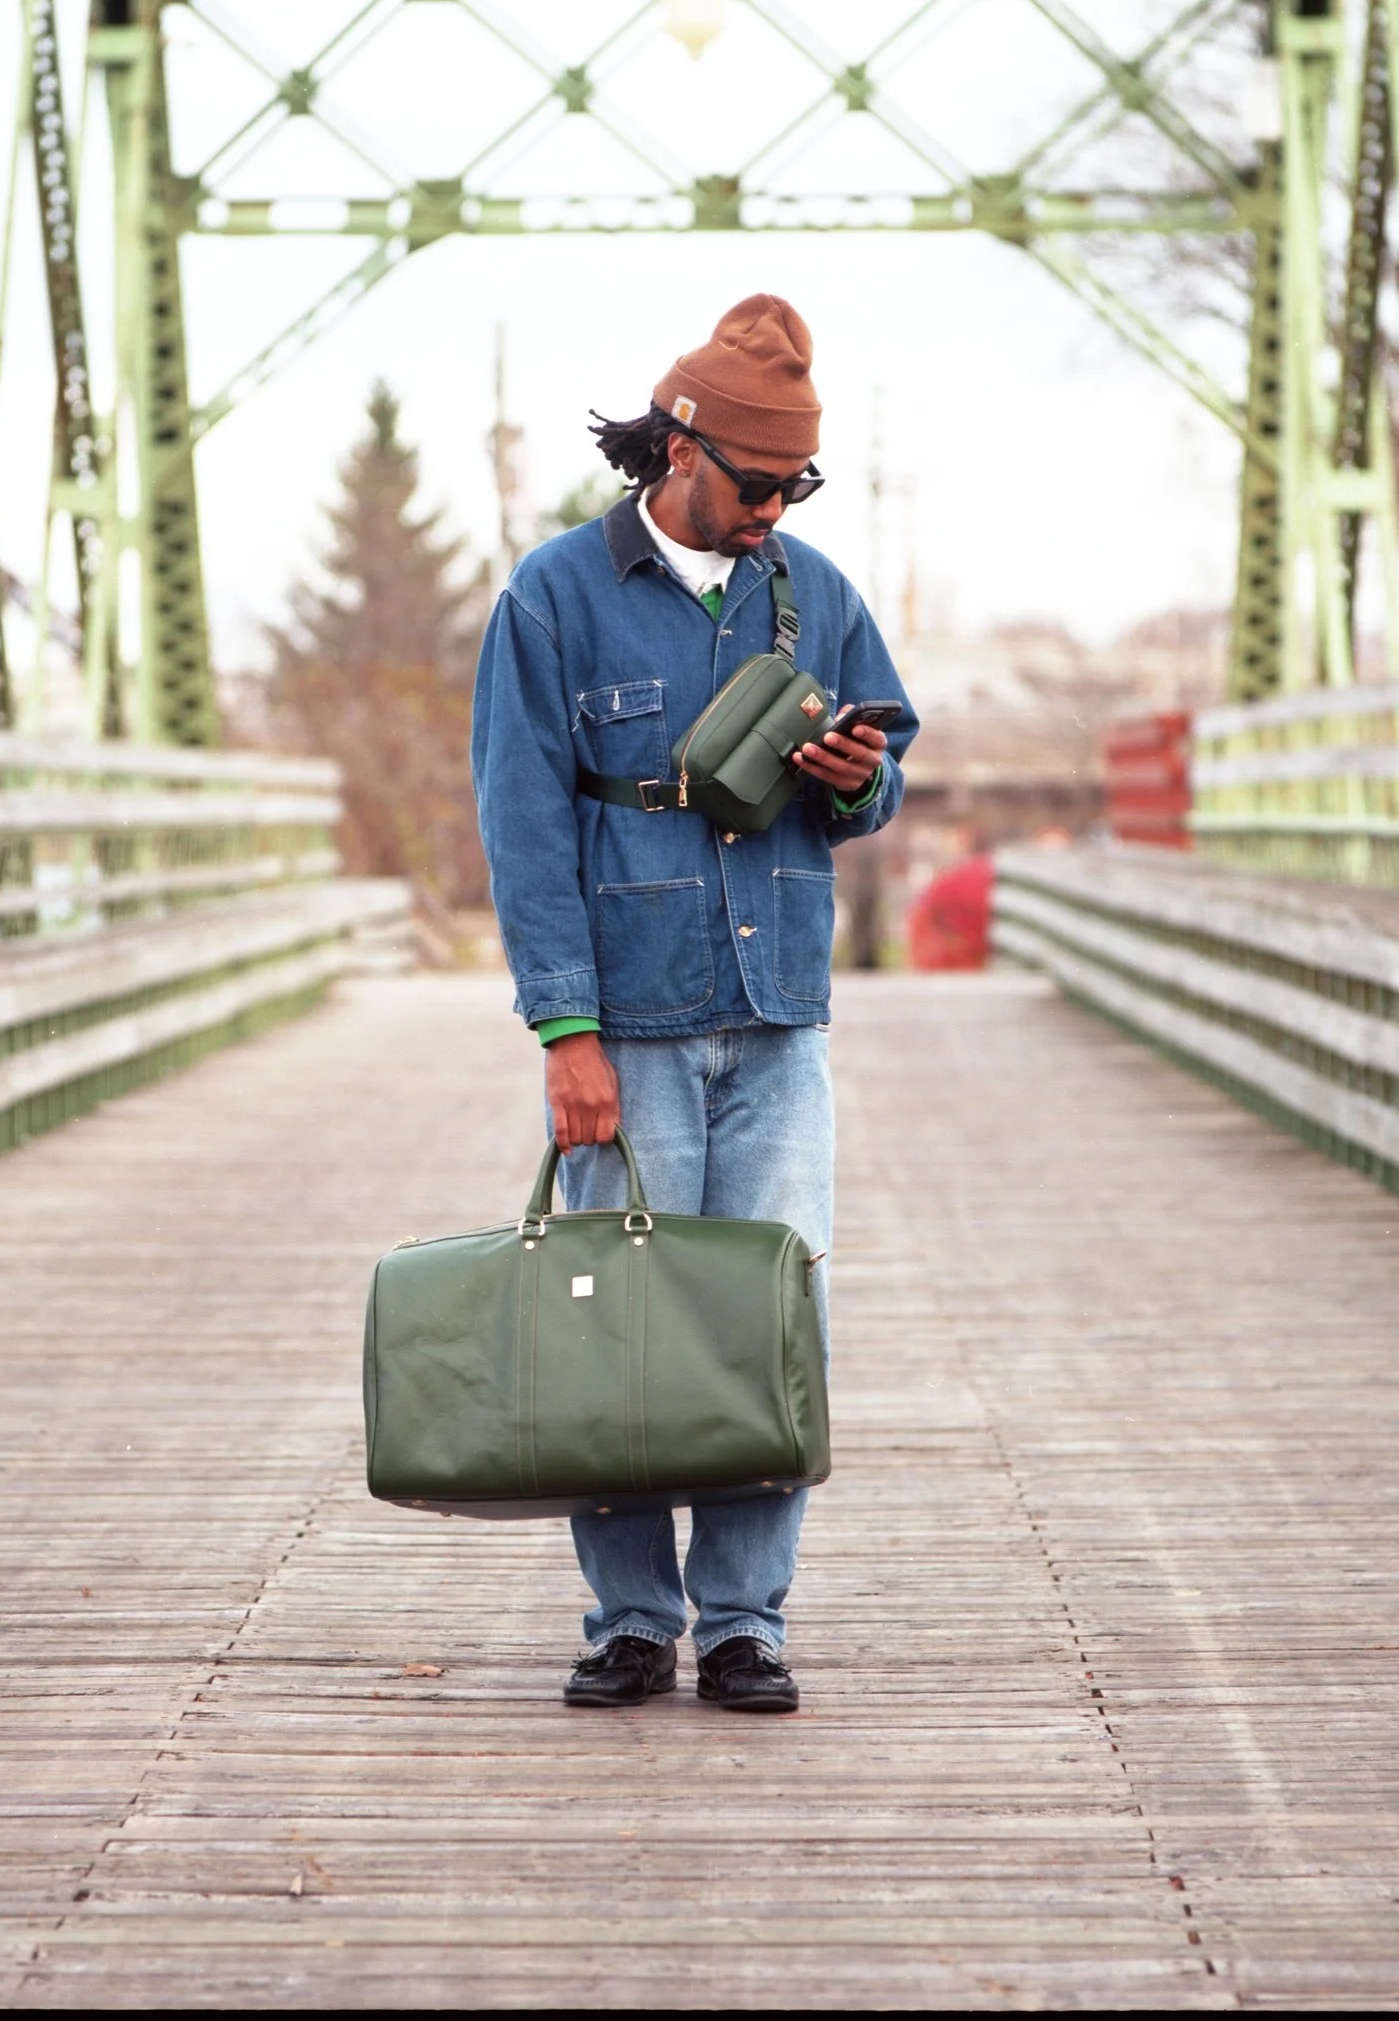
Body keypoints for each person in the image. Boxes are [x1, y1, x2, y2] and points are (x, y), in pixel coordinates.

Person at [470, 294, 918, 1714]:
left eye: (798, 486)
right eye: (758, 482)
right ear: (679, 447)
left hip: (777, 1009)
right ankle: (627, 1618)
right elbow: (523, 824)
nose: (775, 508)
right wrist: (565, 1034)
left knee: (770, 1321)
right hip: (632, 1015)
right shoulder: (554, 596)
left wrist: (859, 780)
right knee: (617, 1316)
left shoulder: (817, 594)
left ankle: (743, 1621)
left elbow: (879, 781)